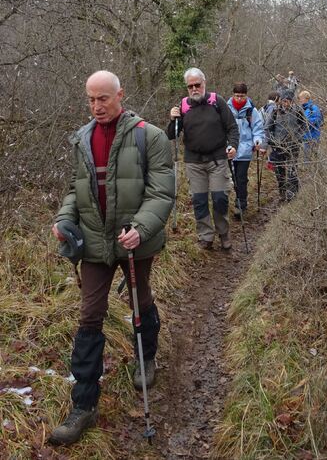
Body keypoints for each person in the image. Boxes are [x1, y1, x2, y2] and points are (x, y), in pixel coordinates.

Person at [49, 71, 174, 446]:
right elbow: (77, 187)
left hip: (135, 240)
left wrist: (142, 227)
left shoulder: (149, 136)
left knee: (140, 300)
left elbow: (162, 192)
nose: (96, 106)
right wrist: (63, 218)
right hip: (94, 243)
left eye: (103, 98)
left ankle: (145, 357)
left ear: (120, 95)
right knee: (89, 315)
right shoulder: (83, 138)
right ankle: (84, 405)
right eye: (90, 99)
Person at [167, 68, 239, 251]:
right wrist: (173, 119)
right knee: (199, 201)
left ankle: (223, 234)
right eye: (190, 86)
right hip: (194, 161)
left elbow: (232, 127)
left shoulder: (217, 102)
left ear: (204, 84)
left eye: (197, 85)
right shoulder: (183, 106)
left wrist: (233, 146)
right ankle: (205, 237)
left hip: (218, 159)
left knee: (220, 198)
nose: (194, 89)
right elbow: (171, 135)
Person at [227, 82, 266, 219]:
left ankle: (241, 205)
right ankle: (237, 200)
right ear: (233, 95)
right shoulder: (226, 108)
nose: (239, 99)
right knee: (233, 178)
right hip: (230, 149)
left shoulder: (252, 111)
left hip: (245, 150)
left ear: (246, 95)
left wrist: (258, 142)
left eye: (242, 96)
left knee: (241, 178)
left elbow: (258, 129)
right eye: (237, 96)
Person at [265, 89, 307, 202]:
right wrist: (271, 140)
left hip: (293, 145)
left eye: (288, 101)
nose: (286, 103)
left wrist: (298, 136)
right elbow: (267, 128)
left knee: (292, 169)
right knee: (279, 170)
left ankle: (293, 193)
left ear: (292, 101)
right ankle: (282, 192)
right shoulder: (275, 111)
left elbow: (304, 124)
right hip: (278, 146)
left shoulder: (298, 110)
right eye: (284, 101)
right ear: (281, 101)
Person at [298, 90, 323, 161]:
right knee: (306, 155)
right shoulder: (303, 108)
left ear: (306, 98)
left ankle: (313, 169)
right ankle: (307, 169)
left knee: (313, 155)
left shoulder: (314, 108)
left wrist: (304, 121)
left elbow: (316, 120)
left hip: (313, 136)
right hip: (306, 135)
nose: (299, 100)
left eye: (301, 98)